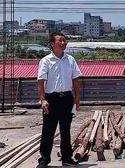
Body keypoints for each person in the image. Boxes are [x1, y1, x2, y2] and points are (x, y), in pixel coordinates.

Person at [36, 33, 81, 167]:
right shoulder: (46, 61)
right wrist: (43, 100)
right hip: (51, 99)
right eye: (60, 40)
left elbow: (75, 79)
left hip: (67, 97)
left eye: (64, 40)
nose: (63, 43)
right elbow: (40, 82)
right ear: (52, 44)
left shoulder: (70, 59)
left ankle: (67, 158)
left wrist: (77, 97)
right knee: (48, 130)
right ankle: (44, 159)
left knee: (65, 130)